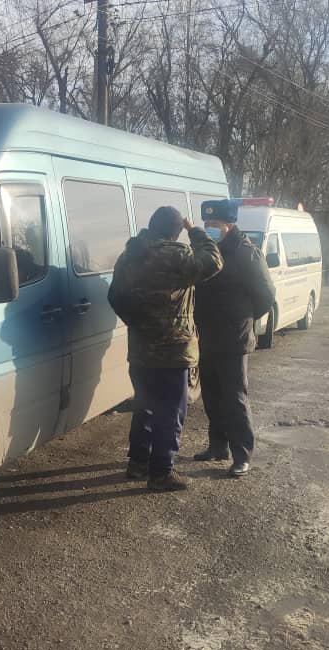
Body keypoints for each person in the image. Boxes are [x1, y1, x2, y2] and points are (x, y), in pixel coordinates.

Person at [108, 206, 223, 491]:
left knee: (145, 406)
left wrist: (136, 322)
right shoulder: (176, 255)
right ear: (176, 231)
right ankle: (161, 472)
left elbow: (114, 296)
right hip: (173, 351)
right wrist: (195, 231)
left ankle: (138, 463)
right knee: (170, 411)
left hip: (140, 348)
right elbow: (214, 261)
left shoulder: (130, 254)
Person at [193, 199, 276, 477]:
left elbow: (265, 296)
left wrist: (242, 319)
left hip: (233, 338)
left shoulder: (246, 253)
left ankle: (242, 454)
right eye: (207, 224)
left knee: (235, 398)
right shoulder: (205, 250)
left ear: (229, 225)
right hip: (206, 335)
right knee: (211, 396)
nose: (210, 228)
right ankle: (218, 447)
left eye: (214, 224)